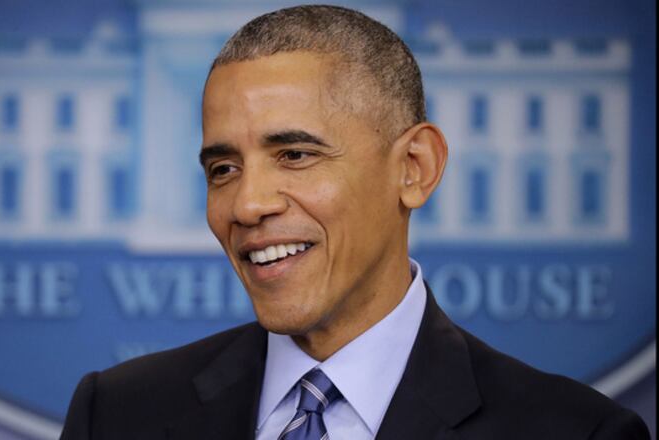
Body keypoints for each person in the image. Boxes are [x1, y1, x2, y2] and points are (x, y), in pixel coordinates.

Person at [60, 5, 650, 439]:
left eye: (294, 155)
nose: (245, 205)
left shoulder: (578, 434)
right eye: (223, 167)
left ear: (414, 169)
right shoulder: (115, 415)